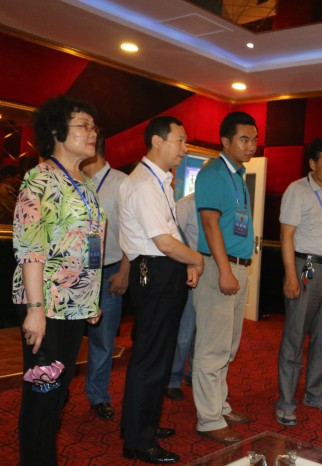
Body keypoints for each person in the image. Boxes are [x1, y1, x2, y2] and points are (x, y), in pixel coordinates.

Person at [12, 95, 104, 465]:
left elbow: (90, 244)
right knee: (43, 393)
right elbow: (31, 248)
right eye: (83, 125)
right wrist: (35, 311)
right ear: (56, 131)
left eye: (94, 126)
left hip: (75, 304)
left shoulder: (86, 182)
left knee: (59, 392)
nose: (93, 132)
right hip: (47, 303)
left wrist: (91, 300)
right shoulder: (40, 178)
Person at [119, 116, 204, 464]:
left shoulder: (159, 181)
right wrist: (196, 258)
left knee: (155, 354)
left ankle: (141, 426)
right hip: (154, 271)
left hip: (161, 271)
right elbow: (164, 242)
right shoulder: (144, 184)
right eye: (179, 140)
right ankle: (139, 440)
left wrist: (187, 262)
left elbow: (168, 238)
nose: (185, 147)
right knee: (151, 358)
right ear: (157, 141)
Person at [192, 111, 257, 444]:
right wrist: (226, 270)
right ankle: (209, 419)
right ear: (225, 141)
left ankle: (220, 405)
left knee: (227, 346)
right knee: (212, 347)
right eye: (244, 139)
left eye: (254, 140)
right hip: (221, 268)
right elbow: (209, 224)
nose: (251, 146)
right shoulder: (214, 173)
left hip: (237, 267)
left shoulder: (238, 175)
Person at [276, 138, 322, 426]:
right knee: (295, 336)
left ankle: (315, 393)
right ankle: (286, 401)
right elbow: (286, 235)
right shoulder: (297, 190)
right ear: (312, 163)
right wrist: (291, 275)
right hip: (306, 267)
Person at [81, 134, 130, 421]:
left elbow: (132, 232)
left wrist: (125, 271)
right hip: (75, 272)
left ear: (92, 150)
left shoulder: (122, 183)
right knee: (66, 338)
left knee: (103, 339)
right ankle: (57, 394)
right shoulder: (72, 181)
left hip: (109, 271)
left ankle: (98, 396)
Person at [165, 192, 198, 401]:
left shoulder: (218, 202)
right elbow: (175, 240)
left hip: (211, 275)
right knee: (185, 333)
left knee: (203, 333)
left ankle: (194, 374)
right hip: (189, 272)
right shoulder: (186, 205)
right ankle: (173, 380)